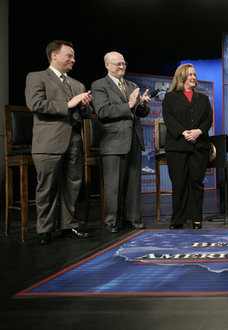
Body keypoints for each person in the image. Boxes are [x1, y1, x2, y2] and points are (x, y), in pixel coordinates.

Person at [25, 40, 93, 245]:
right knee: (47, 186)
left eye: (73, 56)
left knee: (73, 185)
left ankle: (67, 224)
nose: (73, 59)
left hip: (74, 141)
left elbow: (86, 113)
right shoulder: (37, 77)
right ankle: (44, 229)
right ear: (54, 56)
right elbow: (35, 104)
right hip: (49, 142)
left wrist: (83, 106)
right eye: (69, 55)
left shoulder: (77, 84)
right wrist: (67, 104)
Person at [91, 52, 150, 233]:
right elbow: (102, 111)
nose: (122, 67)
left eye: (124, 64)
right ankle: (111, 221)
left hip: (134, 139)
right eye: (118, 64)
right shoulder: (100, 85)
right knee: (113, 185)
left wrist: (141, 105)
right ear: (107, 65)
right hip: (113, 141)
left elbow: (141, 113)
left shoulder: (131, 85)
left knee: (133, 183)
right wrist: (130, 105)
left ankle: (132, 218)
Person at [162, 64, 213, 229]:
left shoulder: (203, 99)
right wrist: (184, 132)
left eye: (194, 74)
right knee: (179, 183)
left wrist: (198, 131)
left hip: (198, 146)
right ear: (181, 77)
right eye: (190, 74)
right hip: (177, 146)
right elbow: (168, 119)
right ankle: (178, 219)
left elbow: (208, 119)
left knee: (196, 183)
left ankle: (197, 219)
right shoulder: (170, 98)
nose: (193, 77)